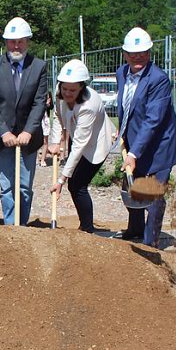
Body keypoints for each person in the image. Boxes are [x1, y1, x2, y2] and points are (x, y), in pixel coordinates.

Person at [114, 27, 176, 248]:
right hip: (135, 141)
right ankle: (135, 228)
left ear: (149, 53)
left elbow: (153, 119)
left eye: (142, 53)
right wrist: (123, 132)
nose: (137, 57)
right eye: (132, 54)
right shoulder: (121, 73)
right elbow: (127, 106)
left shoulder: (158, 79)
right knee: (132, 186)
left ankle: (149, 243)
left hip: (159, 146)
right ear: (125, 53)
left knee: (152, 194)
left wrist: (134, 152)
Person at [0, 17, 48, 226]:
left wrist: (29, 130)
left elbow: (39, 103)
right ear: (6, 42)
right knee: (7, 186)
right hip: (2, 139)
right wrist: (4, 132)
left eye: (20, 41)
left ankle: (23, 225)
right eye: (12, 41)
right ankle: (11, 227)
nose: (16, 45)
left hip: (29, 139)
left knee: (25, 187)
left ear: (27, 41)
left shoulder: (38, 67)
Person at [48, 59, 115, 232]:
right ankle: (85, 226)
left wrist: (61, 180)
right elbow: (57, 114)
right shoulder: (59, 92)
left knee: (77, 184)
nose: (67, 93)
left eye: (72, 90)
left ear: (81, 88)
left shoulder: (89, 106)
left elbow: (79, 145)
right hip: (77, 134)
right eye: (64, 89)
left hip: (96, 143)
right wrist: (55, 141)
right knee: (74, 184)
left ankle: (87, 229)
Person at [37, 92, 54, 167]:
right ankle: (37, 159)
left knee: (45, 142)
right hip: (38, 122)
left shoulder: (48, 105)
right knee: (36, 141)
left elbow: (51, 107)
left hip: (45, 122)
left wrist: (47, 105)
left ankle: (43, 159)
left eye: (47, 98)